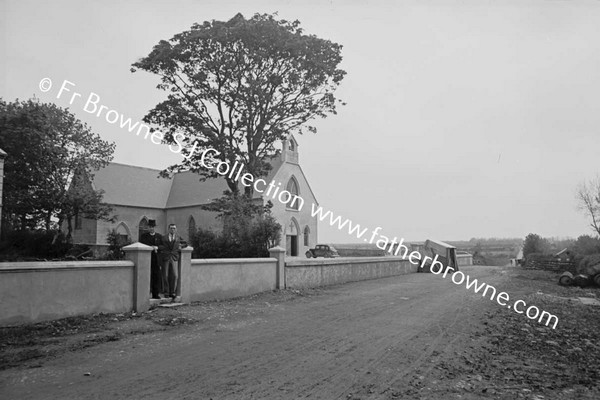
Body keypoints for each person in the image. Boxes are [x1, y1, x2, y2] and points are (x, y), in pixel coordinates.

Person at [158, 223, 187, 300]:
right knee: (165, 275)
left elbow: (185, 243)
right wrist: (164, 248)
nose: (172, 230)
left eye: (174, 228)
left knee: (175, 275)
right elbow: (159, 246)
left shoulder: (178, 237)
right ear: (168, 229)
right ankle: (166, 292)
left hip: (174, 257)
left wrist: (180, 247)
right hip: (166, 257)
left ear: (176, 229)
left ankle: (172, 292)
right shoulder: (163, 238)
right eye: (171, 228)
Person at [139, 219, 163, 299]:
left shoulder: (159, 236)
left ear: (154, 227)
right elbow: (142, 244)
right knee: (147, 276)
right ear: (147, 227)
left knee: (156, 276)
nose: (151, 228)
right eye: (150, 227)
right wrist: (151, 247)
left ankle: (155, 294)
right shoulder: (144, 236)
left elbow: (163, 246)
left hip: (156, 260)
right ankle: (145, 294)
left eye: (152, 227)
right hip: (147, 259)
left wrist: (157, 247)